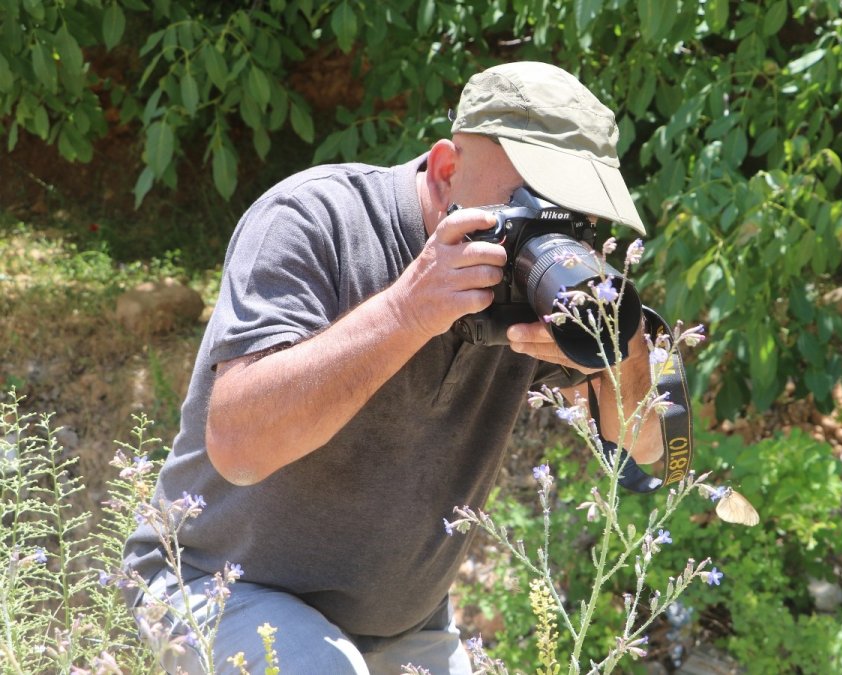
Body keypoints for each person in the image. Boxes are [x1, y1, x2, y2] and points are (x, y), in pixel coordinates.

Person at [122, 61, 663, 674]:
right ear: (445, 169)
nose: (553, 235)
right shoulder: (314, 218)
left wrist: (624, 355)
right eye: (528, 208)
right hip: (211, 580)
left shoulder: (547, 288)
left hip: (404, 628)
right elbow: (238, 443)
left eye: (578, 217)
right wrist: (409, 311)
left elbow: (644, 447)